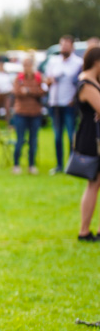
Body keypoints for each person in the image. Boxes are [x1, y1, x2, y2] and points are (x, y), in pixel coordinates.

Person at [46, 35, 82, 174]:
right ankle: (59, 165)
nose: (64, 48)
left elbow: (80, 84)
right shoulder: (53, 61)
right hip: (55, 103)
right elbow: (46, 81)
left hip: (69, 104)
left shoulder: (78, 63)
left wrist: (74, 99)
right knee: (57, 136)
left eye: (67, 45)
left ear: (72, 47)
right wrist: (51, 80)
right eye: (62, 45)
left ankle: (71, 165)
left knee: (71, 135)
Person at [74, 47, 100, 242]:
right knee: (93, 183)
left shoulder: (93, 82)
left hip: (94, 134)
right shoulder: (86, 83)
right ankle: (84, 231)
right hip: (93, 137)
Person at [11, 56, 46, 175]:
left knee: (33, 140)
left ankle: (32, 165)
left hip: (35, 113)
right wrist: (30, 91)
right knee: (20, 140)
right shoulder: (19, 78)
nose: (27, 68)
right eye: (25, 65)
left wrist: (29, 91)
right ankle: (16, 164)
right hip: (21, 113)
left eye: (29, 65)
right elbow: (17, 92)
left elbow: (42, 91)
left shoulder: (38, 78)